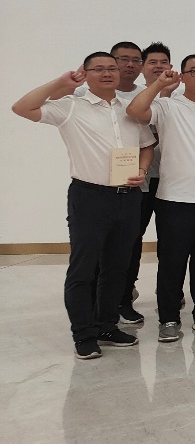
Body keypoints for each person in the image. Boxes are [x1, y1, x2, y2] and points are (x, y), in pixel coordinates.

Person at [12, 54, 156, 359]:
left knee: (117, 267)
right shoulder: (70, 106)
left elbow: (147, 144)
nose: (107, 73)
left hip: (129, 197)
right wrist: (60, 83)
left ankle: (107, 325)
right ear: (85, 74)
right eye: (98, 69)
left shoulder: (129, 109)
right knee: (84, 268)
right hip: (90, 197)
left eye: (112, 68)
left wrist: (143, 170)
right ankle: (83, 334)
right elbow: (22, 108)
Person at [127, 56, 195, 342]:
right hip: (174, 199)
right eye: (194, 71)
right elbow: (135, 110)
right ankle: (169, 318)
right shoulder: (167, 106)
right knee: (172, 262)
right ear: (183, 76)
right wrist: (159, 85)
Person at [117, 42, 176, 324]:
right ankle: (123, 295)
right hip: (137, 180)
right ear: (143, 67)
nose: (158, 67)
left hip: (170, 180)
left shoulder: (178, 95)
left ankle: (170, 293)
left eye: (163, 62)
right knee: (130, 241)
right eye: (152, 62)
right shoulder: (127, 97)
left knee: (171, 242)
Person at [73, 42, 145, 102]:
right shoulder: (84, 93)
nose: (130, 65)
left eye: (136, 60)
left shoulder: (147, 93)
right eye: (124, 59)